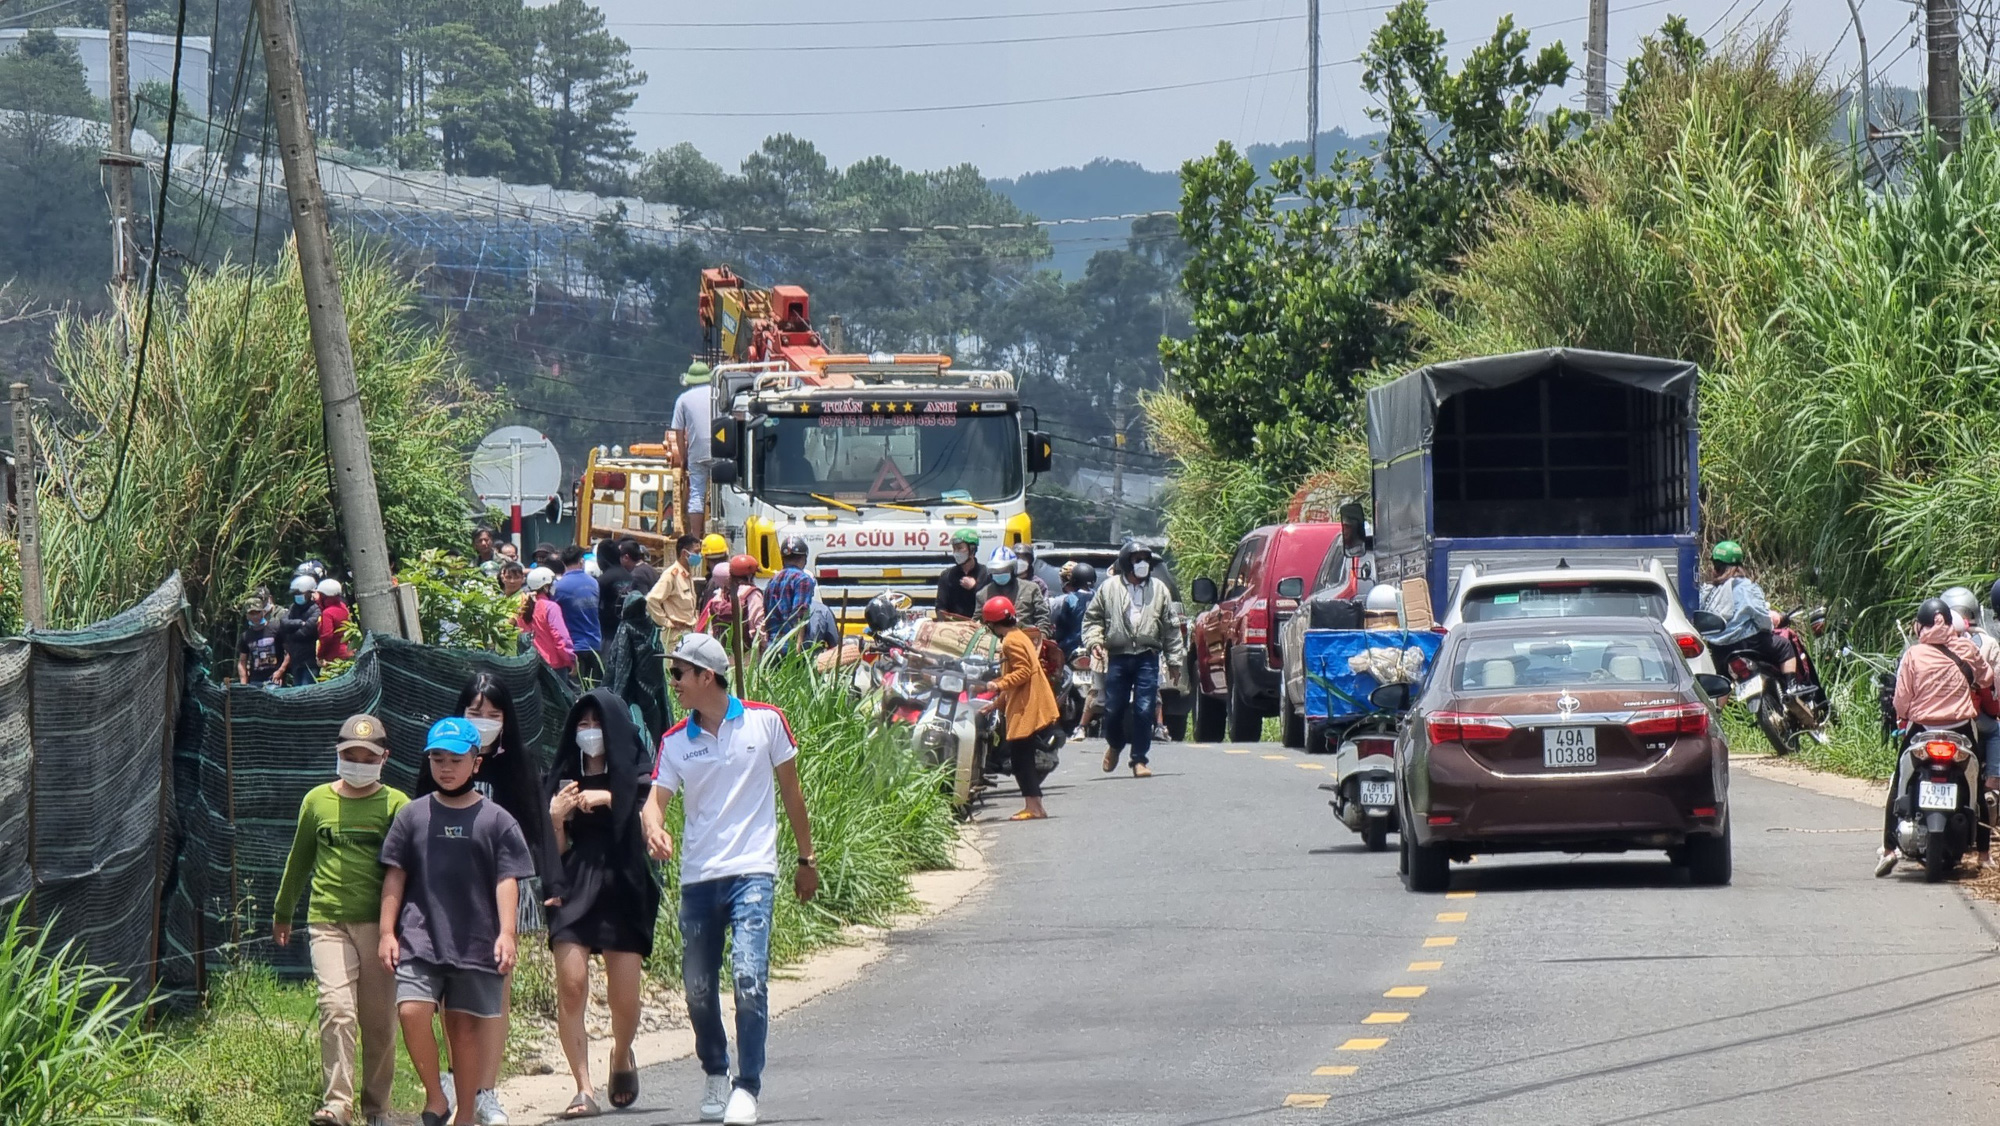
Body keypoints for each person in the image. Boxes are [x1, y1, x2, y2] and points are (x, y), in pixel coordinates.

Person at [643, 634, 818, 1126]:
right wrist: (654, 829)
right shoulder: (675, 740)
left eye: (679, 673)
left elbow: (792, 792)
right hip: (699, 879)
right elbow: (653, 804)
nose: (672, 682)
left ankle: (748, 1085)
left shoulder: (766, 721)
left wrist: (807, 860)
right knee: (698, 988)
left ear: (707, 676)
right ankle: (716, 1070)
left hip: (753, 874)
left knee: (748, 978)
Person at [418, 673, 568, 1124]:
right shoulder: (438, 761)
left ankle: (486, 1090)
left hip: (503, 890)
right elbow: (416, 819)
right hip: (447, 890)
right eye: (474, 713)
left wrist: (552, 885)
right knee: (448, 992)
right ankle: (451, 1079)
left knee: (495, 995)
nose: (483, 722)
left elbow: (538, 828)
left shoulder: (518, 762)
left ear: (506, 720)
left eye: (493, 715)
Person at [379, 718, 536, 1126]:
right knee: (412, 1011)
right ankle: (436, 1096)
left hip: (474, 940)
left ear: (476, 763)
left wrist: (507, 932)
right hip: (419, 936)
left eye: (455, 759)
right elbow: (395, 875)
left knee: (463, 1030)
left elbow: (507, 880)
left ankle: (466, 1113)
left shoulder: (497, 820)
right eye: (437, 759)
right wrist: (386, 932)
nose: (445, 767)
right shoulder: (412, 816)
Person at [274, 714, 408, 1126]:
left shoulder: (397, 805)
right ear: (337, 754)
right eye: (349, 754)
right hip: (327, 922)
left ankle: (378, 1108)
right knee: (336, 1008)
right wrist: (283, 911)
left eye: (366, 755)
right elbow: (299, 860)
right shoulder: (316, 801)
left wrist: (403, 929)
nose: (357, 761)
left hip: (379, 928)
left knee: (379, 1023)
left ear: (383, 758)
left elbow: (406, 871)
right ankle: (338, 1104)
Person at [545, 690, 661, 1117]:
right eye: (582, 724)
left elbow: (649, 809)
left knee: (624, 996)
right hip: (575, 881)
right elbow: (554, 849)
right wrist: (556, 817)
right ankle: (583, 1088)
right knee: (572, 985)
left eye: (597, 724)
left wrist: (609, 797)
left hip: (624, 880)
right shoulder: (562, 777)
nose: (589, 733)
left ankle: (621, 1054)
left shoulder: (639, 774)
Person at [1880, 597, 1996, 877]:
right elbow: (1987, 679)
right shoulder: (1966, 648)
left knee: (1900, 780)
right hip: (1960, 729)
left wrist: (1903, 714)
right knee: (1976, 787)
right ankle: (1983, 853)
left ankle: (1889, 849)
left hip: (1922, 729)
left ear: (1921, 626)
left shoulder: (1913, 655)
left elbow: (1902, 699)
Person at [1082, 543, 1186, 778]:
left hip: (1147, 658)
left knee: (1144, 709)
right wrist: (1095, 642)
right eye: (1137, 559)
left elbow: (1171, 627)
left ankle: (1139, 759)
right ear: (1126, 562)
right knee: (1113, 709)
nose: (1142, 564)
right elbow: (1093, 619)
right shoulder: (1109, 588)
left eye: (1145, 559)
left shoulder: (1159, 589)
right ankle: (1116, 744)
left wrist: (1174, 662)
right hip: (1118, 657)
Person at [982, 597, 1060, 821]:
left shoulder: (1010, 642)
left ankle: (1034, 807)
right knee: (1021, 757)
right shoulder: (1019, 635)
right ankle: (1035, 806)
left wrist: (997, 684)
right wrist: (995, 704)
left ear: (992, 624)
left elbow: (1023, 672)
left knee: (1021, 759)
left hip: (1027, 704)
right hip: (1025, 700)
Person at [1698, 541, 1800, 692]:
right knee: (1785, 646)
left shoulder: (1707, 592)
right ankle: (1792, 688)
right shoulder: (1745, 586)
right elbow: (1760, 616)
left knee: (1723, 680)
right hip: (1747, 644)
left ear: (1715, 566)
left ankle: (1716, 713)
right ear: (1739, 565)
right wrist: (1770, 625)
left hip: (1719, 650)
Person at [673, 362, 715, 539]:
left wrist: (683, 459)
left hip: (696, 452)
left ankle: (696, 537)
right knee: (722, 492)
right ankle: (719, 534)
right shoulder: (718, 394)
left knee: (697, 493)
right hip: (721, 450)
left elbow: (679, 432)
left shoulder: (683, 399)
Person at [554, 545, 605, 684]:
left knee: (576, 690)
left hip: (574, 646)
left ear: (563, 563)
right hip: (595, 643)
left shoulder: (559, 586)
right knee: (594, 687)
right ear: (581, 561)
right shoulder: (594, 582)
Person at [647, 534, 704, 653]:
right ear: (684, 553)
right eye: (696, 552)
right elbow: (651, 600)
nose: (699, 556)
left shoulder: (686, 575)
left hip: (689, 633)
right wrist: (666, 622)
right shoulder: (671, 575)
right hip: (675, 636)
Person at [977, 546, 1051, 635]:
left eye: (1004, 569)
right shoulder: (983, 595)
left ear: (1013, 568)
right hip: (993, 644)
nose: (1000, 573)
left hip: (1027, 640)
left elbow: (1043, 617)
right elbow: (977, 624)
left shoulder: (1031, 589)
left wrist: (1041, 637)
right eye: (995, 571)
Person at [519, 567, 576, 678]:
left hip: (531, 664)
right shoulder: (550, 607)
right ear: (545, 587)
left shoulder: (522, 608)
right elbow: (561, 638)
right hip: (554, 665)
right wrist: (571, 660)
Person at [762, 536, 816, 649]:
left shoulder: (773, 580)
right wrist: (798, 647)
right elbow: (800, 613)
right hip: (790, 645)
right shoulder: (803, 579)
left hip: (772, 645)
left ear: (783, 559)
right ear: (804, 559)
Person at [700, 556, 766, 647]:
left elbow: (710, 628)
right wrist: (763, 646)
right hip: (746, 650)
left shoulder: (720, 594)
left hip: (721, 649)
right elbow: (759, 624)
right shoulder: (752, 594)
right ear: (750, 576)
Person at [281, 574, 325, 686]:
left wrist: (290, 634)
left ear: (309, 593)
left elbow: (307, 631)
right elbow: (283, 622)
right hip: (296, 662)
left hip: (310, 662)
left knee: (308, 693)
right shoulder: (293, 608)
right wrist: (299, 623)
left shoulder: (316, 610)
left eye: (300, 593)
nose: (297, 596)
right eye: (295, 594)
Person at [934, 529, 988, 619]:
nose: (956, 553)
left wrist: (975, 588)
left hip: (980, 626)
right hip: (955, 628)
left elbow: (990, 603)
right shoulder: (947, 576)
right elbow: (940, 607)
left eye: (960, 548)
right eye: (954, 549)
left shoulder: (985, 573)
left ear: (972, 549)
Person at [1051, 562, 1098, 660]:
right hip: (1095, 646)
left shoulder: (1071, 599)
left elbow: (1062, 625)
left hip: (1072, 646)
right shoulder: (1098, 597)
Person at [238, 590, 284, 685]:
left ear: (263, 612)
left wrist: (281, 671)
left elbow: (289, 653)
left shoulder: (275, 627)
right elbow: (242, 661)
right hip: (255, 680)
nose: (255, 616)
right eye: (251, 613)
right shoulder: (245, 636)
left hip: (274, 679)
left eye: (257, 612)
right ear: (247, 616)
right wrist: (243, 683)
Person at [318, 579, 354, 665]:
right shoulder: (343, 607)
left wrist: (320, 655)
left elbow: (326, 636)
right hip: (348, 650)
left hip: (334, 656)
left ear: (324, 596)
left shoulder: (327, 613)